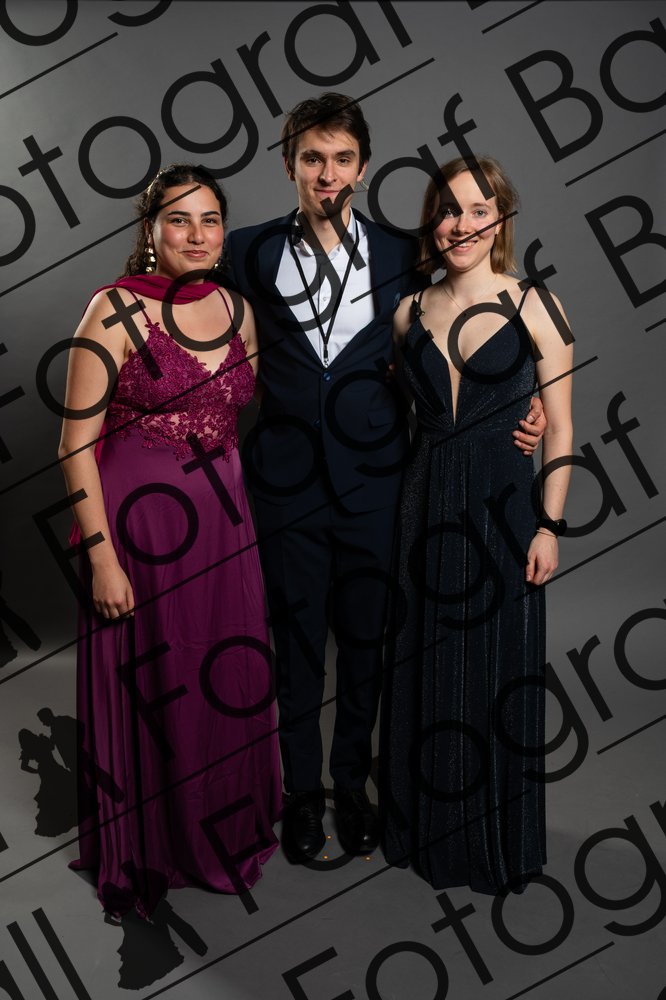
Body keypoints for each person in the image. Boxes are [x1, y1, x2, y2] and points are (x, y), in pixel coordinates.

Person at [227, 95, 546, 863]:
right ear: (289, 164)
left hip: (379, 488)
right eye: (312, 158)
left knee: (368, 647)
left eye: (342, 159)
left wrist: (521, 402)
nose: (327, 174)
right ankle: (301, 796)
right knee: (297, 647)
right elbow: (193, 321)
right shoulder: (245, 250)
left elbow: (464, 320)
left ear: (363, 168)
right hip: (284, 488)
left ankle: (351, 787)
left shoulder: (405, 253)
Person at [58, 164, 282, 916]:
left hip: (224, 527)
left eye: (210, 220)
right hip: (140, 531)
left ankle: (217, 829)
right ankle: (150, 845)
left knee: (223, 673)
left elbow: (251, 413)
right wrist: (101, 559)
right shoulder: (114, 308)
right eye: (179, 219)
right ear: (150, 229)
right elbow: (73, 446)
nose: (196, 234)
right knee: (156, 682)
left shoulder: (238, 309)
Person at [380, 155, 574, 893]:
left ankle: (495, 838)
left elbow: (562, 428)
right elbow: (399, 415)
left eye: (477, 209)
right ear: (433, 221)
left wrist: (549, 525)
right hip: (424, 501)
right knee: (422, 658)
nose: (460, 224)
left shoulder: (538, 305)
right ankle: (426, 828)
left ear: (500, 220)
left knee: (497, 663)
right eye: (448, 209)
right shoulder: (407, 311)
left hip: (504, 506)